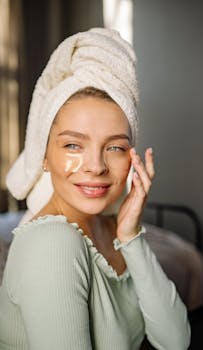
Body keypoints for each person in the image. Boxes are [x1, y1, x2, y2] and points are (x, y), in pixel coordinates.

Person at [0, 28, 190, 350]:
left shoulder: (112, 230)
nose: (96, 166)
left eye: (115, 148)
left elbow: (175, 341)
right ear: (44, 156)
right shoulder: (52, 243)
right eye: (73, 145)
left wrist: (130, 236)